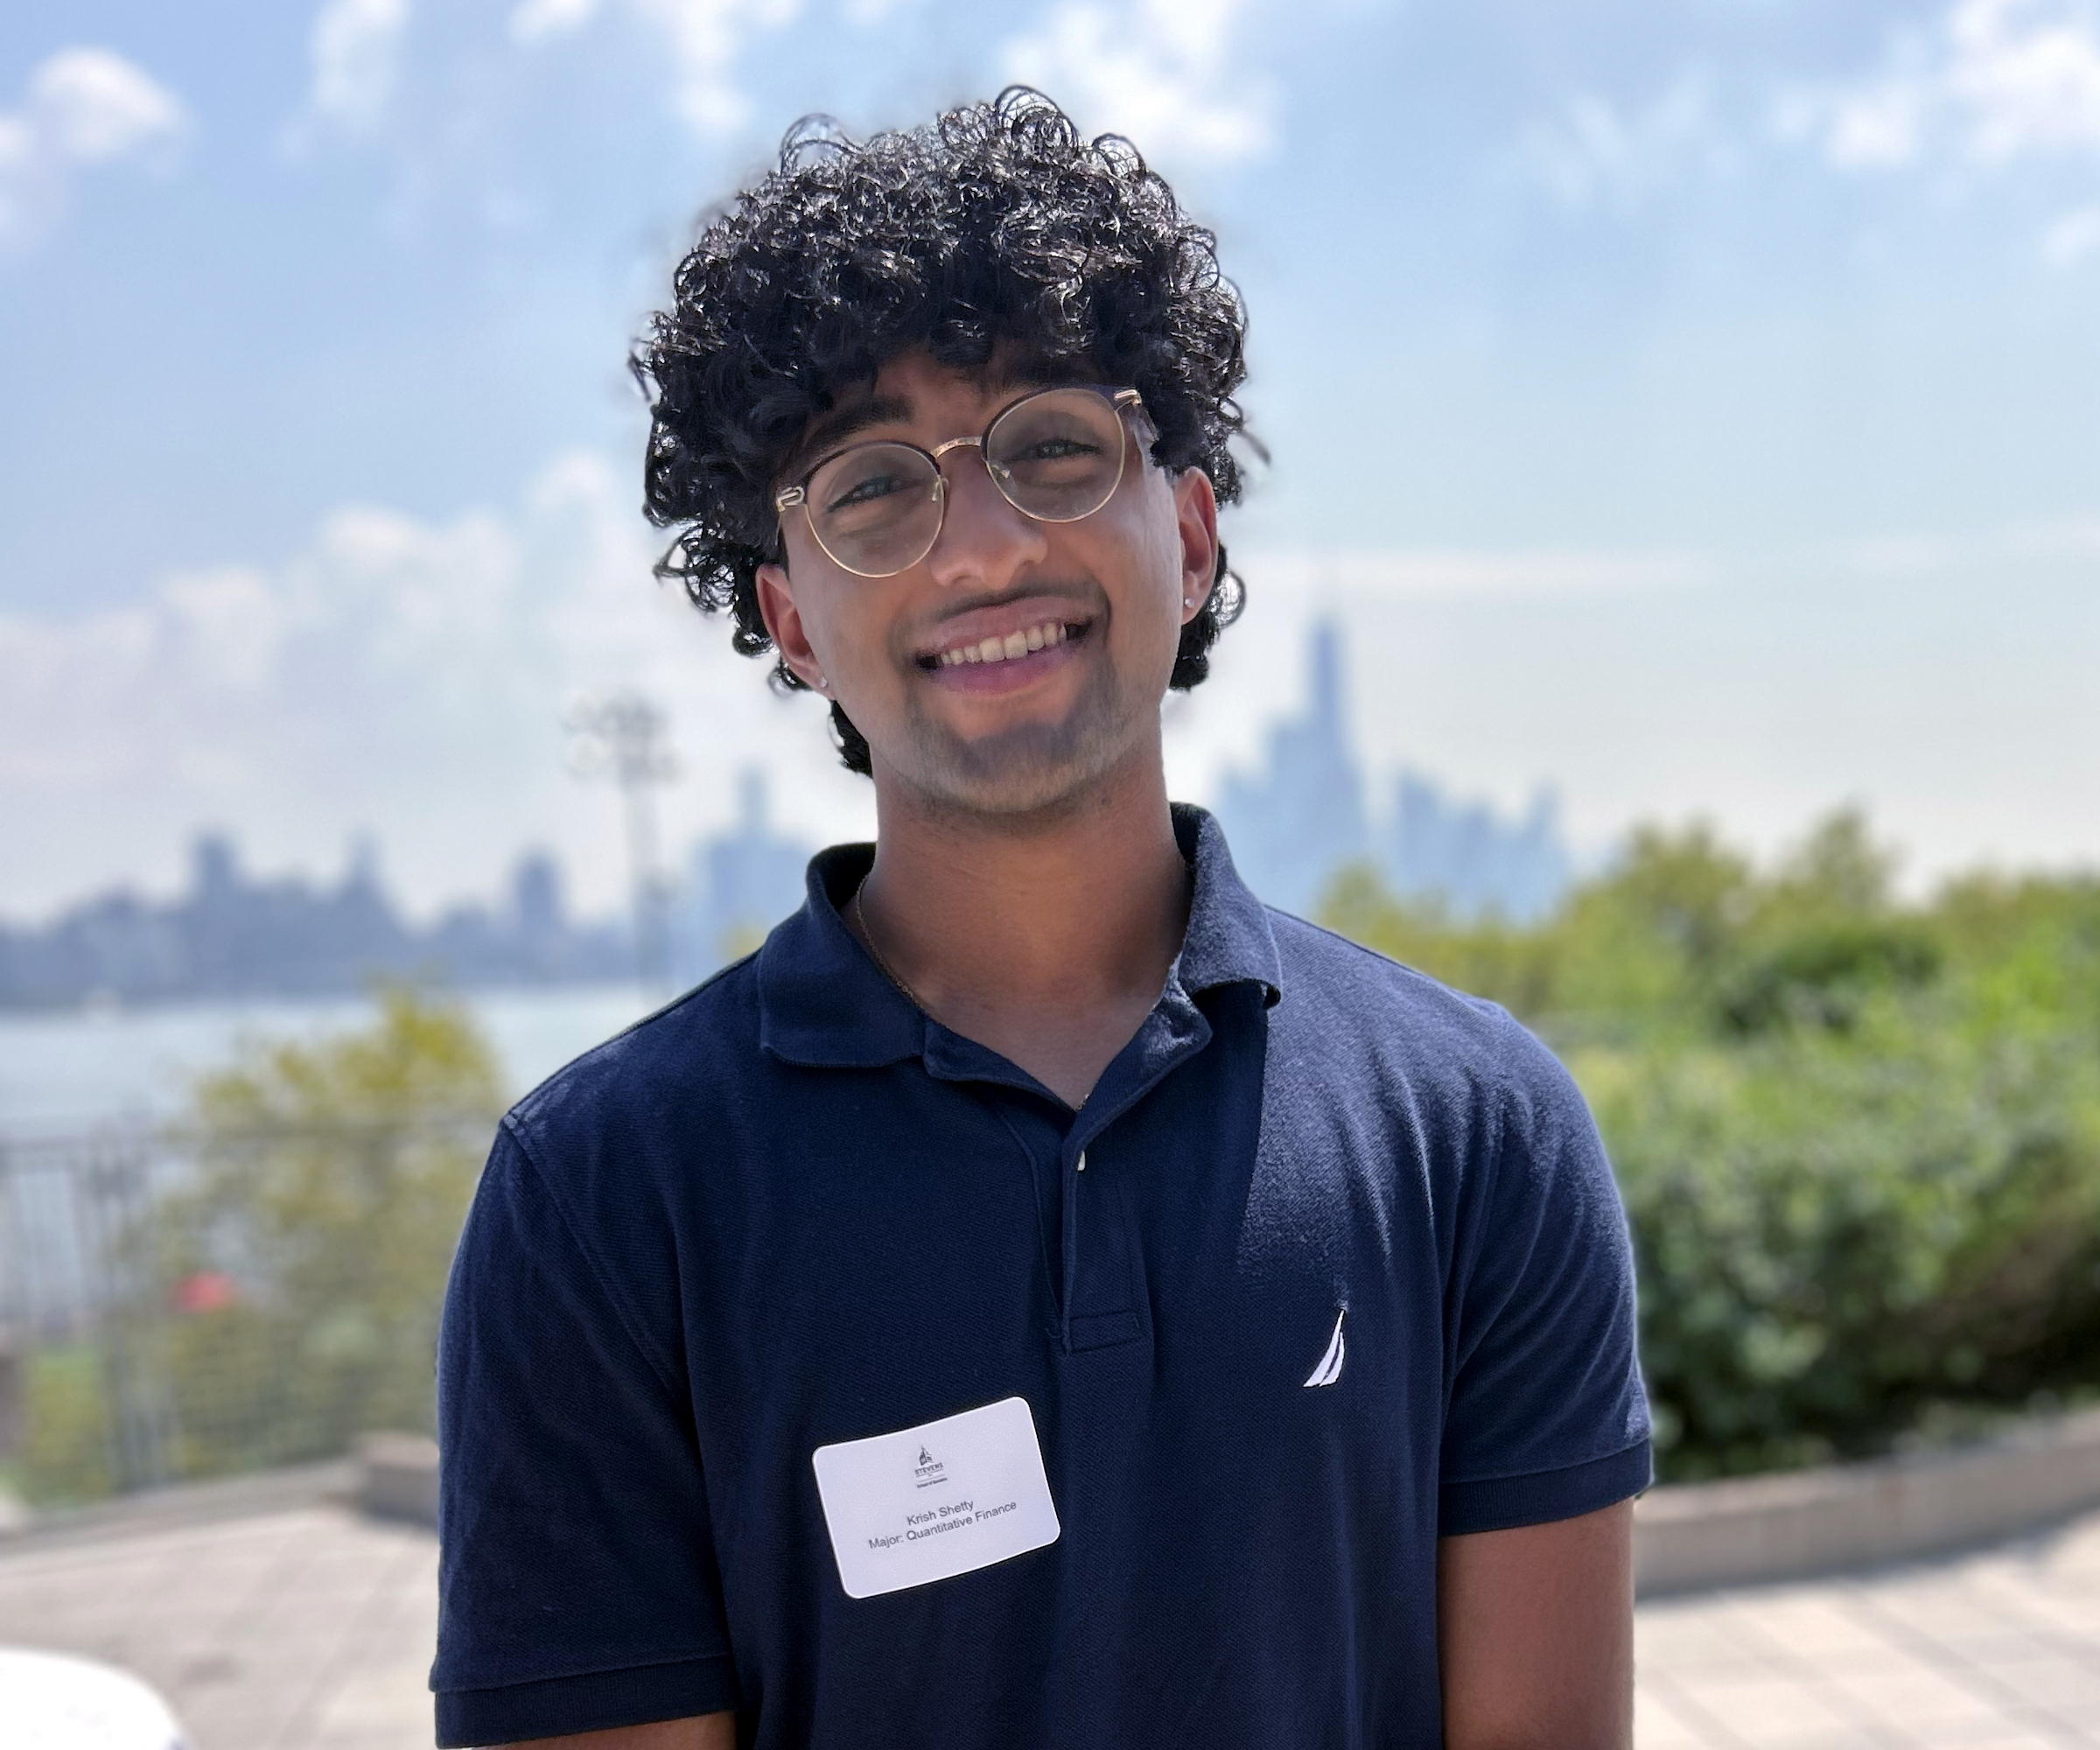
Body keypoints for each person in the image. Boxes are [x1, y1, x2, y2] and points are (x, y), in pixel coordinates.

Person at [431, 89, 1649, 1750]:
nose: (986, 549)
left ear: (1191, 533)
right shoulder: (599, 1200)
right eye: (873, 489)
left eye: (1056, 448)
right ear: (792, 620)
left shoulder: (1478, 1130)